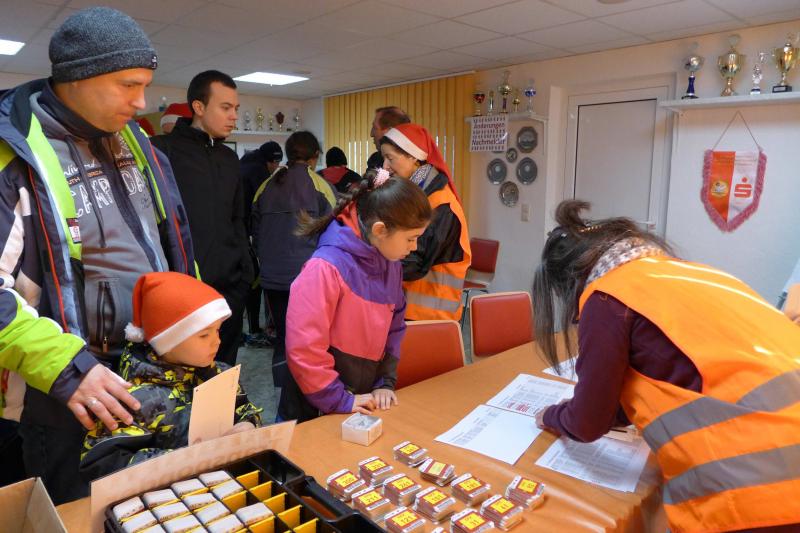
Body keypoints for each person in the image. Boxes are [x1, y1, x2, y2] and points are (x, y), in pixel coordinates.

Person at [0, 6, 197, 503]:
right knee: (80, 513)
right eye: (128, 85)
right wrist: (69, 370)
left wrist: (194, 317)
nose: (141, 101)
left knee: (153, 508)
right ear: (77, 77)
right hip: (72, 388)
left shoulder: (136, 140)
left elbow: (168, 242)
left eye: (145, 85)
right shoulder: (13, 156)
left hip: (153, 371)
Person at [532, 200, 800, 533]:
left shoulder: (606, 296)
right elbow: (669, 367)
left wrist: (551, 416)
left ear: (570, 280)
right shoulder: (678, 272)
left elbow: (588, 422)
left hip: (763, 485)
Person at [280, 172, 432, 422]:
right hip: (315, 403)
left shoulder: (391, 263)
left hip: (359, 399)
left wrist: (385, 382)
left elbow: (394, 328)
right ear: (380, 230)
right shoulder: (324, 268)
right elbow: (304, 348)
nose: (414, 247)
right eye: (410, 239)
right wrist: (338, 399)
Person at [80, 272, 262, 480]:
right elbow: (103, 462)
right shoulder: (133, 399)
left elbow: (244, 408)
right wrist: (185, 460)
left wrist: (249, 424)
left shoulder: (219, 373)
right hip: (165, 496)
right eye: (204, 335)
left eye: (218, 331)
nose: (217, 341)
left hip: (224, 485)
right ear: (168, 342)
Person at [152, 71, 253, 366]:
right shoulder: (162, 151)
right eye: (226, 107)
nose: (234, 116)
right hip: (184, 291)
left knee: (224, 371)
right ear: (198, 107)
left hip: (230, 290)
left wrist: (245, 273)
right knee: (185, 377)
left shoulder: (229, 158)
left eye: (236, 108)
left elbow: (237, 218)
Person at [251, 131, 335, 389]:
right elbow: (335, 234)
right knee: (311, 339)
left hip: (272, 278)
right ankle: (308, 390)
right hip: (308, 279)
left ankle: (282, 392)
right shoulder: (320, 186)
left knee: (283, 338)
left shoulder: (266, 186)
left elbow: (255, 233)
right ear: (315, 156)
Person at [380, 123, 471, 321]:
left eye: (390, 158)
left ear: (413, 157)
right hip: (409, 311)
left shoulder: (439, 205)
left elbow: (414, 264)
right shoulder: (417, 197)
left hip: (431, 318)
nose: (385, 166)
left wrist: (369, 261)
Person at [240, 141, 283, 347]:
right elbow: (262, 208)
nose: (276, 167)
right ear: (271, 161)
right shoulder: (260, 174)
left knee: (246, 281)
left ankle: (247, 330)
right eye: (276, 163)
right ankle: (255, 330)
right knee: (255, 282)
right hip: (247, 233)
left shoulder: (244, 164)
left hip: (235, 230)